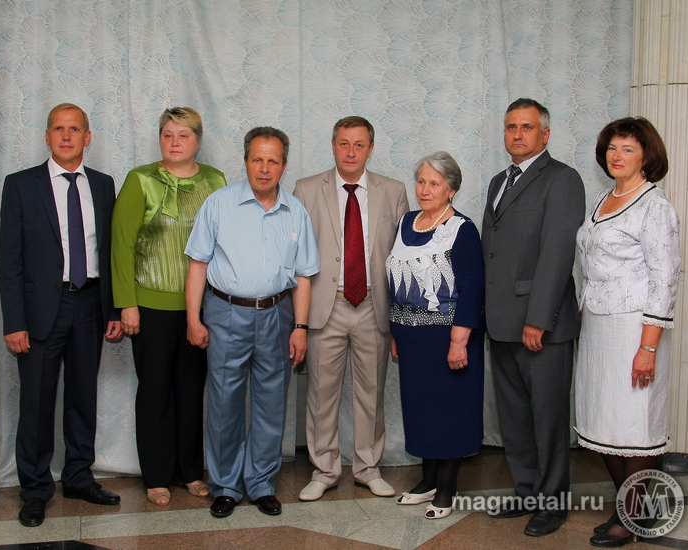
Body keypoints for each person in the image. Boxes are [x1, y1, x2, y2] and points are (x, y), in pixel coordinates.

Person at [0, 103, 123, 528]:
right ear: (47, 136)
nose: (67, 136)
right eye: (59, 128)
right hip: (38, 311)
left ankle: (78, 476)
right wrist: (13, 321)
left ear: (88, 137)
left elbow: (110, 253)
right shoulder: (20, 186)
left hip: (89, 304)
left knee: (82, 397)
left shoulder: (104, 185)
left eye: (75, 129)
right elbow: (9, 259)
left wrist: (111, 308)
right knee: (36, 401)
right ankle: (35, 489)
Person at [184, 126, 319, 518]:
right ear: (245, 162)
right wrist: (194, 318)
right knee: (224, 401)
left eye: (272, 160)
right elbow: (197, 264)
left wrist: (301, 327)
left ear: (284, 165)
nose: (264, 168)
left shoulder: (295, 211)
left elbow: (305, 275)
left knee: (271, 401)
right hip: (225, 313)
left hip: (278, 314)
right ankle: (225, 485)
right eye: (257, 159)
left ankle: (260, 483)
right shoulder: (219, 204)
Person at [111, 107, 227, 506]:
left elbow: (223, 243)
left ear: (198, 139)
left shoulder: (215, 181)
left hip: (202, 307)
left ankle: (190, 472)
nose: (175, 142)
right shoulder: (139, 179)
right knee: (155, 391)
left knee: (192, 390)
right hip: (150, 305)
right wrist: (126, 304)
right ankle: (157, 476)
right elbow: (121, 245)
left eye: (183, 135)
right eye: (167, 135)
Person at [481, 98, 586, 536]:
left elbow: (557, 255)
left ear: (545, 134)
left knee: (548, 417)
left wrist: (538, 319)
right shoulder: (497, 182)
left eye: (526, 127)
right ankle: (526, 491)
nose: (517, 134)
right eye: (510, 127)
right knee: (516, 418)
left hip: (539, 325)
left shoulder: (562, 179)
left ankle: (553, 502)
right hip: (500, 323)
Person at [575, 117, 680, 547]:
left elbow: (665, 277)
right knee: (605, 422)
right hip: (599, 326)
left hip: (635, 327)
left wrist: (648, 348)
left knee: (635, 425)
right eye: (612, 149)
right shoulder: (605, 198)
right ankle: (629, 507)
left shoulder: (655, 206)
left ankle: (630, 516)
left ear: (647, 157)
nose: (617, 156)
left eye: (628, 150)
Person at [293, 116, 409, 501]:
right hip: (327, 307)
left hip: (374, 306)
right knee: (321, 394)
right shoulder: (307, 189)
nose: (351, 151)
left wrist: (400, 321)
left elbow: (403, 258)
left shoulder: (393, 191)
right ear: (332, 145)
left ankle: (367, 467)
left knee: (371, 393)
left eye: (359, 145)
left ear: (371, 149)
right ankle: (324, 469)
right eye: (344, 143)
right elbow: (295, 256)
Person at [387, 152, 484, 519]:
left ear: (452, 190)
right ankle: (427, 481)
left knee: (449, 411)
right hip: (411, 340)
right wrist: (396, 331)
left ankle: (447, 487)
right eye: (421, 182)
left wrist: (459, 341)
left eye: (434, 184)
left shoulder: (461, 229)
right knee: (421, 410)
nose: (425, 190)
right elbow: (394, 280)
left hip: (448, 338)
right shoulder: (406, 222)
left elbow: (472, 288)